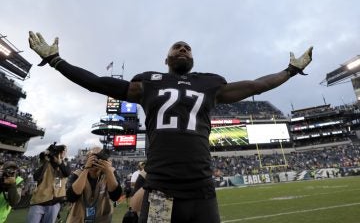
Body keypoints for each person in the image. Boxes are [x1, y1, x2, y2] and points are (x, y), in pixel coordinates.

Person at [28, 31, 313, 223]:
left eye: (187, 47)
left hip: (201, 189)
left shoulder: (210, 83)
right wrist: (56, 61)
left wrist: (290, 71)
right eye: (177, 47)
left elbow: (256, 86)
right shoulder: (148, 82)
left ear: (192, 59)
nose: (182, 49)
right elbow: (97, 83)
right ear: (166, 60)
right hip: (161, 189)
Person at [65, 147, 122, 223]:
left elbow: (115, 196)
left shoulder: (110, 173)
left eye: (99, 157)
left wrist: (108, 171)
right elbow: (71, 197)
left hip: (102, 219)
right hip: (79, 219)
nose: (96, 160)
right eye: (93, 156)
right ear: (87, 159)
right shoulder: (77, 173)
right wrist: (86, 169)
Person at [27, 143, 70, 223]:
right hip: (39, 201)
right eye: (61, 151)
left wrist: (59, 162)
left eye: (64, 151)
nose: (63, 153)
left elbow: (66, 173)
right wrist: (47, 159)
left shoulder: (65, 164)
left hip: (54, 202)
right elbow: (36, 177)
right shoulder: (45, 162)